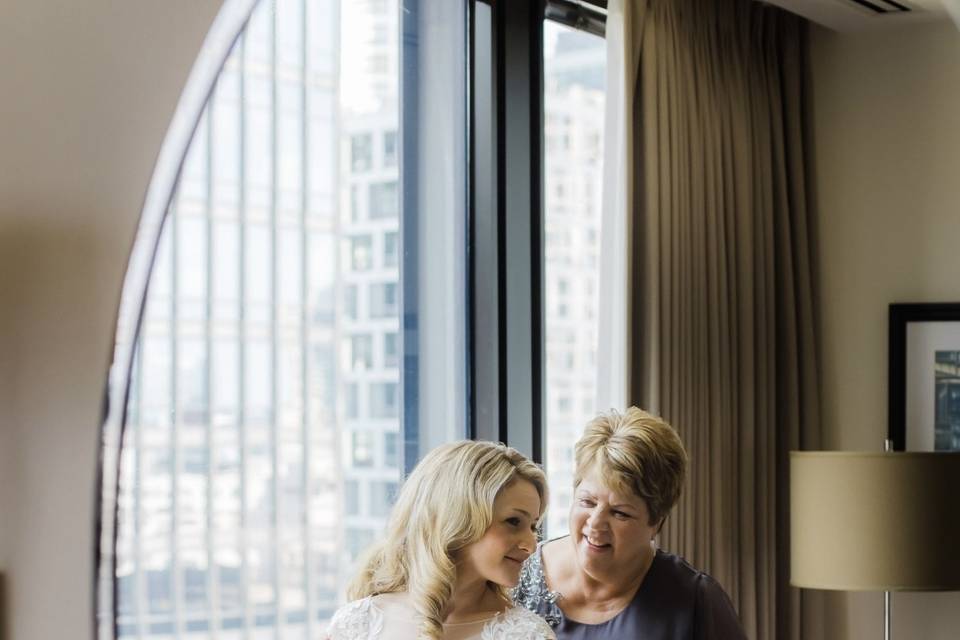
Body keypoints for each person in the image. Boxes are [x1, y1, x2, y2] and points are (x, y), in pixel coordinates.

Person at [514, 408, 746, 639]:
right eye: (587, 501)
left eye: (620, 513)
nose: (595, 524)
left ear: (656, 522)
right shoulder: (515, 575)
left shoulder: (695, 600)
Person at [325, 440, 557, 640]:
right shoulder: (356, 623)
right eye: (513, 521)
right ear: (457, 517)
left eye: (534, 526)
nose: (531, 544)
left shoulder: (529, 634)